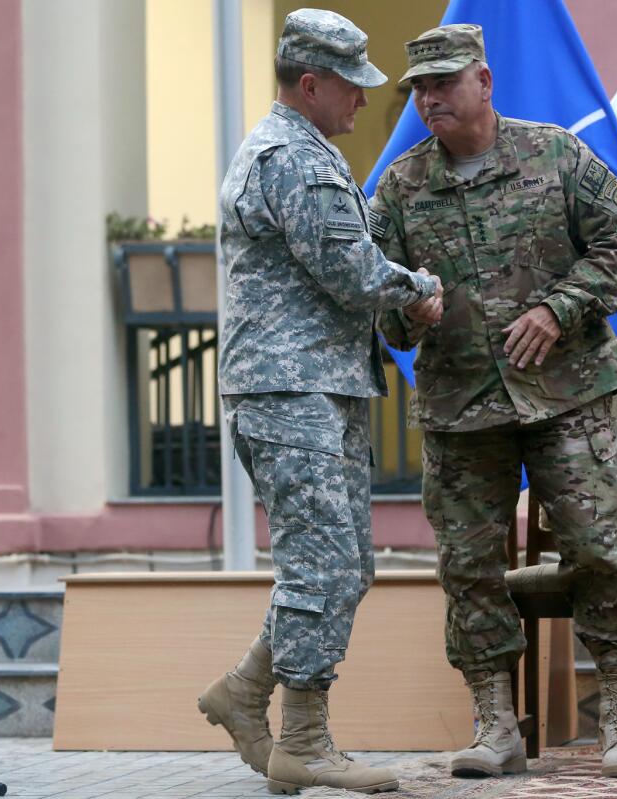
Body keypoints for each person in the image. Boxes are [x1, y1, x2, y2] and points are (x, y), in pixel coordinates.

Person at [370, 24, 617, 779]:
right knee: (467, 564)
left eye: (444, 83)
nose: (430, 100)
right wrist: (409, 315)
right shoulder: (399, 188)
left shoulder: (556, 154)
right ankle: (496, 718)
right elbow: (380, 297)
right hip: (463, 407)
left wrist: (561, 308)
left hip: (566, 395)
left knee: (594, 547)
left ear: (485, 81)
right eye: (419, 90)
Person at [197, 9, 442, 795]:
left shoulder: (302, 151)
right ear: (311, 85)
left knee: (347, 563)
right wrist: (423, 289)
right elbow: (353, 272)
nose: (366, 101)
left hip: (316, 383)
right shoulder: (292, 159)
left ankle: (243, 689)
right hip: (287, 387)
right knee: (320, 563)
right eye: (352, 86)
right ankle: (303, 740)